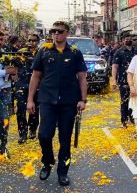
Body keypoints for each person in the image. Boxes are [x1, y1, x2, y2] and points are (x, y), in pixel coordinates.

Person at [27, 21, 88, 186]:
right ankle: (47, 161)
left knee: (65, 140)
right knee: (44, 135)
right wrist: (30, 99)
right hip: (47, 100)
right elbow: (35, 76)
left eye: (59, 31)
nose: (56, 34)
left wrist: (83, 99)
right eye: (53, 31)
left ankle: (63, 172)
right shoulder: (44, 51)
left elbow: (82, 77)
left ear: (67, 33)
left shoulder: (75, 53)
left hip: (69, 102)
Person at [15, 34, 41, 144]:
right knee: (20, 110)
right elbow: (14, 66)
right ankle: (22, 133)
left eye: (34, 41)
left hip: (36, 86)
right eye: (29, 40)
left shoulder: (41, 52)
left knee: (34, 110)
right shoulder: (20, 52)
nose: (31, 42)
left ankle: (33, 130)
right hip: (21, 85)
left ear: (38, 42)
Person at [112, 37, 137, 128]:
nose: (128, 40)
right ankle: (124, 120)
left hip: (136, 80)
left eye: (130, 38)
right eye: (126, 39)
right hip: (123, 80)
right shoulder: (119, 52)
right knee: (124, 101)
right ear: (123, 40)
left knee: (135, 100)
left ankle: (133, 117)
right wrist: (114, 80)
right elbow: (115, 66)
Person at [0, 31, 18, 158]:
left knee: (5, 118)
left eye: (1, 39)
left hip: (5, 90)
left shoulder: (7, 53)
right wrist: (5, 71)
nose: (0, 42)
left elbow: (13, 71)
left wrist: (13, 74)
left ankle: (3, 146)